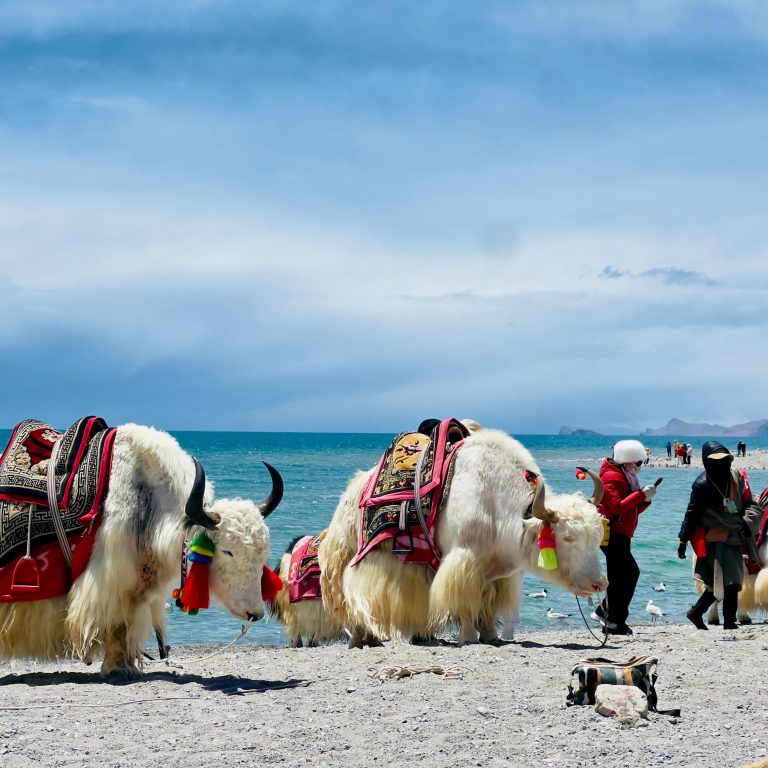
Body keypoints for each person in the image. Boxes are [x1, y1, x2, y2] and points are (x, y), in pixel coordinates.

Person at [677, 441, 762, 630]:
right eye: (717, 462)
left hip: (734, 533)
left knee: (731, 581)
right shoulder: (702, 485)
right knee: (724, 582)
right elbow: (692, 514)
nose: (722, 465)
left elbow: (749, 502)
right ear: (707, 463)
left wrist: (748, 522)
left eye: (725, 461)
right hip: (713, 537)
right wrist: (683, 540)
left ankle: (713, 617)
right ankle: (714, 617)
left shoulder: (736, 477)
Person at [594, 439, 658, 635]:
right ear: (628, 461)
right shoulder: (612, 477)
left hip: (620, 533)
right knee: (627, 574)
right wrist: (640, 494)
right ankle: (613, 618)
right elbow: (617, 507)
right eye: (638, 463)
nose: (639, 467)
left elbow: (631, 509)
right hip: (613, 533)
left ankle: (610, 615)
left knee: (623, 576)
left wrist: (645, 499)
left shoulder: (624, 475)